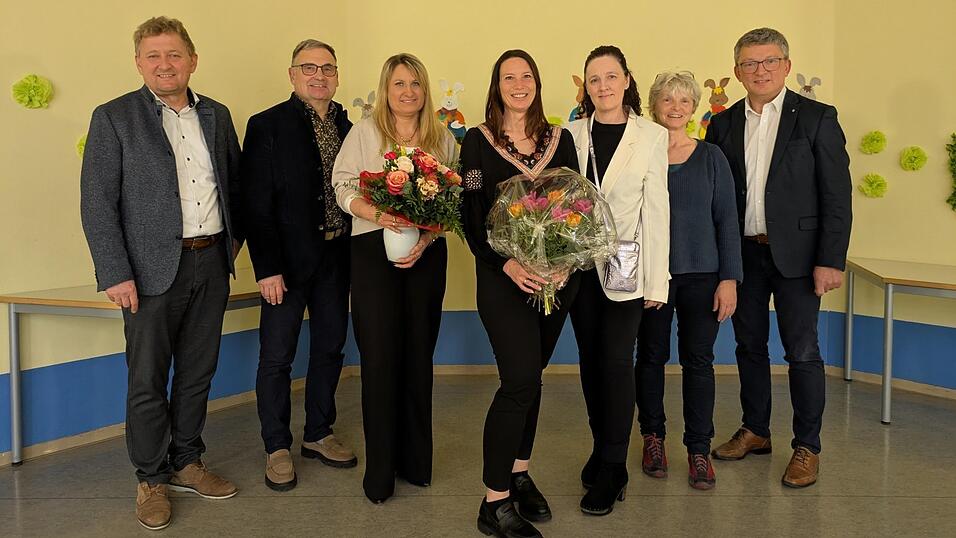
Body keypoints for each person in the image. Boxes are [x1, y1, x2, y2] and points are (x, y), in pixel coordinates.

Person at [80, 16, 243, 531]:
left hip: (211, 262)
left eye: (174, 54)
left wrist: (230, 249)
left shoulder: (216, 114)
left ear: (192, 60)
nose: (164, 64)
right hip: (147, 274)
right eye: (153, 56)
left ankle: (187, 461)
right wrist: (115, 272)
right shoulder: (113, 118)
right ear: (138, 63)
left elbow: (234, 187)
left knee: (198, 372)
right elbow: (97, 204)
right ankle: (150, 477)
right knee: (147, 378)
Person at [705, 27, 852, 488]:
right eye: (750, 63)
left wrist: (831, 259)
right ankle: (756, 430)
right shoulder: (722, 124)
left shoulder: (816, 117)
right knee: (749, 346)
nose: (760, 70)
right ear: (737, 72)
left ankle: (807, 446)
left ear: (786, 66)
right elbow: (719, 197)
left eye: (769, 61)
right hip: (744, 254)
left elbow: (837, 194)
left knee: (802, 351)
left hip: (801, 257)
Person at [461, 49, 580, 538]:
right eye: (508, 77)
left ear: (537, 82)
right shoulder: (475, 143)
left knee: (533, 379)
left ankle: (519, 470)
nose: (518, 84)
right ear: (497, 84)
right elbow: (470, 215)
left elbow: (577, 204)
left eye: (526, 75)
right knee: (518, 383)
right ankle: (495, 502)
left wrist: (565, 265)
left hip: (555, 283)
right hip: (504, 280)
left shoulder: (562, 139)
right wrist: (507, 264)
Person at [331, 53, 456, 504]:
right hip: (372, 251)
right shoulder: (365, 134)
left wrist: (425, 238)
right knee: (381, 361)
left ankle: (416, 464)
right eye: (399, 83)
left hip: (426, 255)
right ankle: (380, 471)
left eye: (415, 83)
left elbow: (453, 203)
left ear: (425, 90)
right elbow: (342, 185)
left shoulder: (441, 139)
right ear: (386, 89)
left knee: (419, 357)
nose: (408, 91)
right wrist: (378, 213)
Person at [241, 39, 356, 493]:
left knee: (330, 348)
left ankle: (318, 434)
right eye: (308, 67)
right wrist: (266, 268)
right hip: (285, 265)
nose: (319, 75)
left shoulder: (351, 127)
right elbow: (255, 204)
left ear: (337, 75)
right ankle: (277, 446)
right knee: (277, 357)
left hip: (337, 256)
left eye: (327, 67)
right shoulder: (267, 125)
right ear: (292, 75)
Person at [566, 45, 670, 516]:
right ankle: (601, 446)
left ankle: (614, 466)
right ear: (584, 87)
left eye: (611, 76)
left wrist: (657, 283)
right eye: (594, 79)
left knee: (614, 361)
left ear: (627, 79)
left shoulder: (650, 136)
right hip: (578, 269)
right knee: (590, 362)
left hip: (627, 265)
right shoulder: (569, 134)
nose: (603, 86)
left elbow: (657, 211)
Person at [635, 70, 742, 491]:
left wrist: (729, 278)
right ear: (654, 107)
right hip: (653, 276)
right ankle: (653, 438)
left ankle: (698, 448)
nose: (675, 108)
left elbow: (727, 221)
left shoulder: (712, 157)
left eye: (683, 101)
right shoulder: (641, 155)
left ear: (693, 108)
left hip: (703, 275)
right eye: (667, 100)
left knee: (699, 362)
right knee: (651, 358)